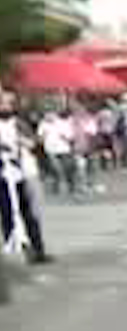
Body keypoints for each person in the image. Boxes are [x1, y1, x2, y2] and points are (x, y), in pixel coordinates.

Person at [0, 89, 52, 264]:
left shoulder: (19, 123)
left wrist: (24, 143)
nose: (6, 106)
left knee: (29, 213)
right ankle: (17, 247)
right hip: (4, 176)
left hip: (21, 174)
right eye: (3, 103)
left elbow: (33, 143)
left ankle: (37, 250)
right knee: (8, 214)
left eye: (8, 103)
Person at [37, 107, 77, 198]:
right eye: (46, 114)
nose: (49, 116)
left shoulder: (62, 123)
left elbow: (71, 136)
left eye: (51, 114)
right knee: (56, 169)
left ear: (55, 114)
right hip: (50, 150)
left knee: (68, 169)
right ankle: (56, 187)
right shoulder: (43, 124)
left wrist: (65, 137)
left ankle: (71, 186)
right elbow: (39, 138)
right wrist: (42, 137)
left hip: (64, 149)